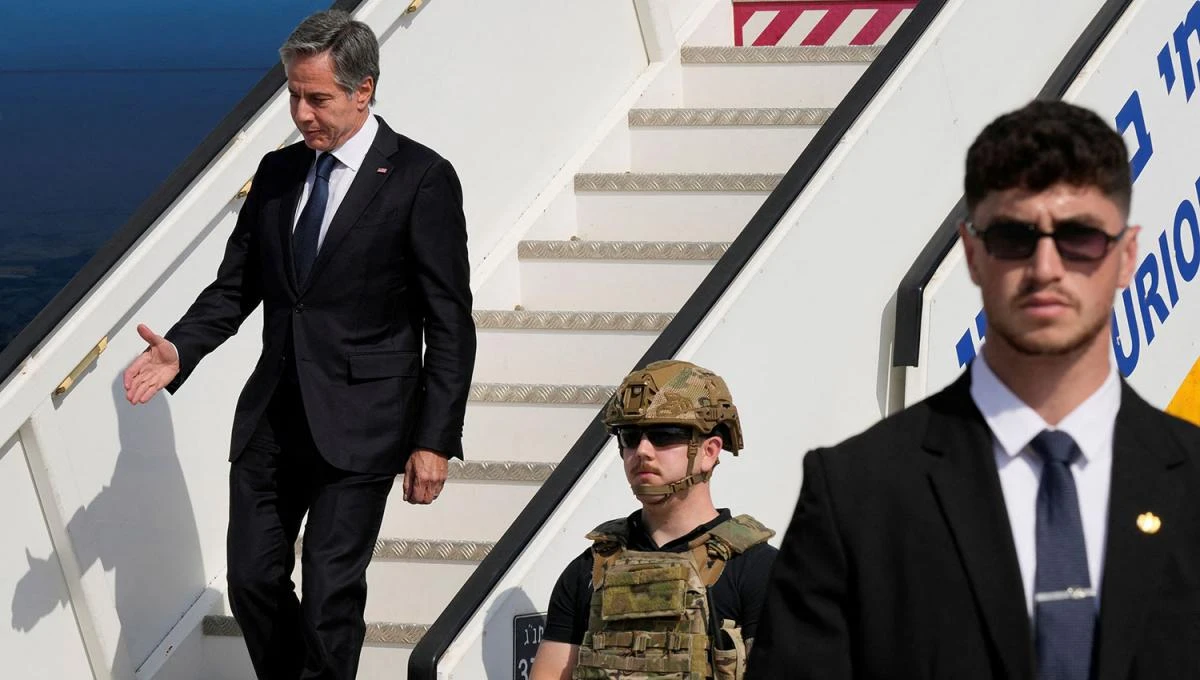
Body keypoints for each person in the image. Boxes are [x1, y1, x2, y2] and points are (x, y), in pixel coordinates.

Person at [747, 99, 1200, 680]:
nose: (1045, 267)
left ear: (1128, 254)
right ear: (971, 253)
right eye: (1014, 236)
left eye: (1080, 237)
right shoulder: (859, 496)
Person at [121, 9, 475, 679]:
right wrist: (182, 349)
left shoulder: (420, 178)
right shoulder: (279, 173)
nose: (302, 112)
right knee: (252, 581)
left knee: (329, 600)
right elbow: (236, 287)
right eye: (293, 94)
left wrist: (434, 437)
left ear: (363, 90)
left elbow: (449, 320)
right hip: (273, 420)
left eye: (318, 97)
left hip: (365, 424)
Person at [532, 360, 777, 680]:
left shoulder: (757, 571)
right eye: (630, 437)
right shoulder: (590, 568)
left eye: (664, 435)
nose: (643, 450)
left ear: (709, 451)